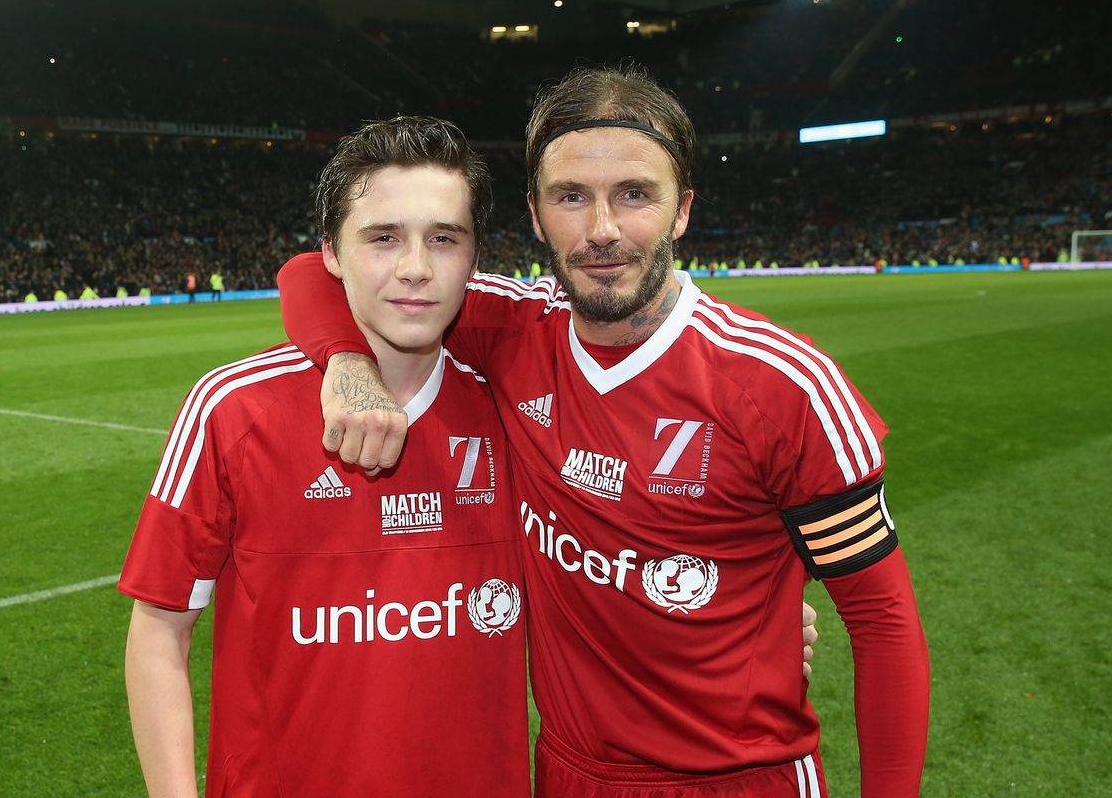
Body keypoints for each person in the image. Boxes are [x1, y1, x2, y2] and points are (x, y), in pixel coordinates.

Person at [278, 65, 929, 797]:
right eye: (571, 197)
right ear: (534, 213)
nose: (602, 231)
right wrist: (346, 361)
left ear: (681, 210)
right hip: (569, 775)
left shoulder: (782, 387)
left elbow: (883, 622)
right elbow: (313, 270)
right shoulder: (512, 329)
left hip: (740, 780)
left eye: (634, 194)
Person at [119, 117, 530, 797]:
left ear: (475, 256)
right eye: (383, 238)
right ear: (329, 256)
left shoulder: (517, 405)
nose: (416, 268)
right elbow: (160, 628)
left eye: (444, 239)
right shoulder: (231, 408)